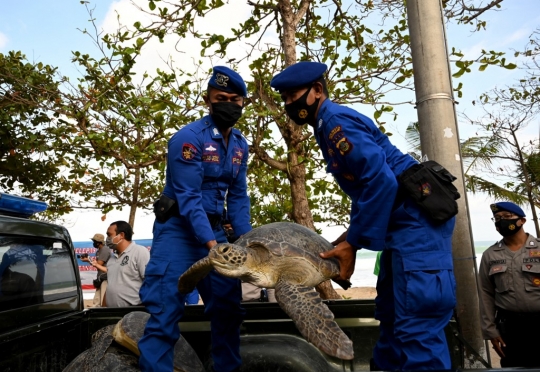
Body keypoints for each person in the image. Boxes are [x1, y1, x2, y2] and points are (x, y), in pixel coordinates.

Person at [270, 61, 457, 370]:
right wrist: (345, 239)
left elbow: (382, 182)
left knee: (415, 328)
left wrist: (353, 245)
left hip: (415, 225)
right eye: (285, 99)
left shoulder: (335, 123)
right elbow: (366, 191)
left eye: (293, 96)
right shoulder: (325, 126)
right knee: (392, 321)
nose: (289, 104)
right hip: (400, 229)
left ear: (317, 91)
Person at [138, 66, 252, 372]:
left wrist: (247, 242)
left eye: (234, 98)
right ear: (208, 100)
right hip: (179, 232)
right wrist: (213, 245)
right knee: (165, 312)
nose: (228, 103)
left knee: (228, 309)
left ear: (243, 103)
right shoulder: (188, 139)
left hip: (216, 231)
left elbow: (238, 197)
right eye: (221, 97)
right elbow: (188, 197)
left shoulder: (241, 145)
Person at [478, 202, 540, 368]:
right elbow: (485, 293)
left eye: (507, 217)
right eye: (497, 218)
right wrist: (490, 331)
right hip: (510, 328)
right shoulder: (490, 255)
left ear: (522, 221)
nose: (501, 221)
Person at [91, 221, 149, 307]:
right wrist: (103, 309)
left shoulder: (139, 252)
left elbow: (149, 282)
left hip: (133, 311)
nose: (107, 239)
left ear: (121, 235)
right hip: (113, 313)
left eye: (109, 235)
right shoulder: (112, 258)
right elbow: (110, 286)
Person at [81, 233, 110, 307]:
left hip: (105, 277)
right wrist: (88, 259)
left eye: (94, 241)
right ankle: (95, 307)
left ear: (99, 242)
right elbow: (96, 264)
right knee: (97, 297)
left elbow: (99, 264)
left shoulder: (105, 249)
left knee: (103, 297)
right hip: (100, 276)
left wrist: (88, 260)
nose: (93, 243)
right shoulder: (98, 251)